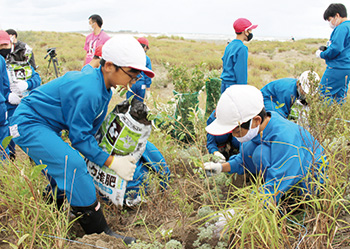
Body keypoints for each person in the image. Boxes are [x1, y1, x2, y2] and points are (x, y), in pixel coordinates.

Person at [9, 35, 155, 244]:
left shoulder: (102, 85)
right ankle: (100, 232)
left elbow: (87, 133)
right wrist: (112, 162)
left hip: (47, 124)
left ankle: (55, 205)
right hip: (27, 123)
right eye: (132, 72)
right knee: (73, 164)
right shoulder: (89, 89)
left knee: (63, 163)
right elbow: (79, 139)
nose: (136, 78)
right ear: (109, 66)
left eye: (139, 73)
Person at [204, 85, 326, 206]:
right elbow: (244, 160)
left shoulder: (285, 139)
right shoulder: (259, 129)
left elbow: (277, 182)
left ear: (256, 120)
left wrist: (239, 212)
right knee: (256, 152)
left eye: (237, 132)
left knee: (262, 155)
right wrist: (220, 167)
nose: (235, 136)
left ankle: (291, 202)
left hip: (310, 183)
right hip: (286, 174)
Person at [0, 30, 41, 160]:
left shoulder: (21, 60)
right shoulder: (1, 62)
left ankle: (34, 157)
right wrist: (7, 96)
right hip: (7, 106)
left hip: (26, 104)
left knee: (30, 131)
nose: (3, 49)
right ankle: (10, 156)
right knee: (7, 134)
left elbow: (36, 78)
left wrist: (27, 84)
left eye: (5, 46)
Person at [315, 3, 350, 104]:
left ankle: (325, 118)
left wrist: (321, 54)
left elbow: (336, 48)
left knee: (323, 94)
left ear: (337, 16)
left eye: (330, 20)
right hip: (347, 68)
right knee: (340, 96)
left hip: (337, 67)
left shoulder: (342, 28)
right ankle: (338, 119)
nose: (330, 23)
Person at [220, 18, 258, 94]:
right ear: (245, 31)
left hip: (224, 85)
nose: (251, 33)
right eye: (250, 30)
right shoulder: (242, 48)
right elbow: (241, 73)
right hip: (233, 87)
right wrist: (243, 91)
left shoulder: (229, 45)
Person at [126, 37, 152, 102]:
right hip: (141, 84)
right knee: (139, 106)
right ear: (145, 47)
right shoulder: (146, 59)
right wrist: (148, 89)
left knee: (128, 104)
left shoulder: (129, 57)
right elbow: (148, 75)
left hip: (130, 83)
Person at [0, 50, 10, 159]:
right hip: (0, 104)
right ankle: (5, 173)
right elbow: (5, 85)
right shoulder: (1, 59)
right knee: (3, 146)